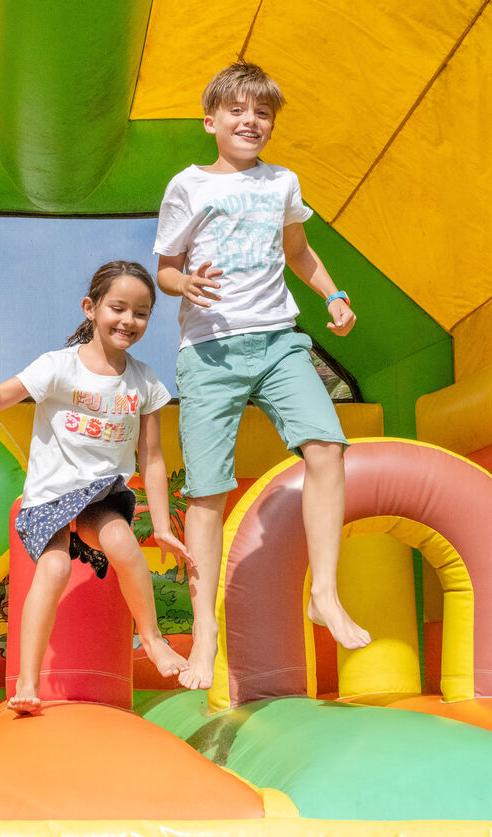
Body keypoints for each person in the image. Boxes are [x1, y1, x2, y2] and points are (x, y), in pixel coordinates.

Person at [154, 60, 371, 690]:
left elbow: (297, 251)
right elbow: (166, 268)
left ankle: (324, 593)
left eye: (263, 113)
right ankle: (203, 633)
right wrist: (184, 283)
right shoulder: (189, 185)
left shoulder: (282, 182)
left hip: (278, 340)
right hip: (210, 352)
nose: (251, 121)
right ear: (211, 121)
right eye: (238, 111)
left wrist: (334, 295)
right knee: (206, 493)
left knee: (327, 447)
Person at [0, 260, 192, 713]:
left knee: (122, 542)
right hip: (50, 497)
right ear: (90, 308)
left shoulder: (144, 381)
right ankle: (28, 681)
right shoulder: (58, 367)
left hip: (101, 494)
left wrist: (162, 527)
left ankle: (153, 640)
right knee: (55, 569)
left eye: (141, 313)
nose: (129, 320)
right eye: (118, 308)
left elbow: (152, 457)